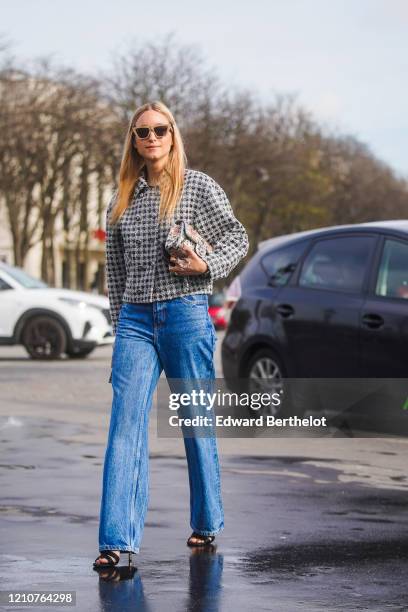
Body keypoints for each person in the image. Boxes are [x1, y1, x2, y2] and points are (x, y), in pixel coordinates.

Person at [93, 101, 249, 569]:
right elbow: (114, 275)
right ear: (134, 140)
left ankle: (206, 522)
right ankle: (115, 541)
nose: (152, 138)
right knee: (125, 426)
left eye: (161, 129)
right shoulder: (119, 200)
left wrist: (208, 265)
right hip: (136, 323)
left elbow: (236, 236)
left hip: (185, 314)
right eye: (143, 132)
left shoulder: (198, 186)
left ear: (173, 135)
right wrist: (121, 328)